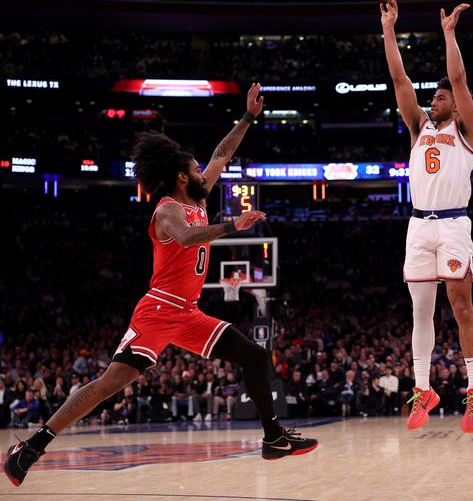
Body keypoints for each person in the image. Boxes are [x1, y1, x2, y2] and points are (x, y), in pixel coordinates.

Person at [4, 84, 317, 488]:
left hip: (187, 312)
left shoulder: (197, 199)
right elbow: (187, 238)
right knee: (108, 385)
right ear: (180, 177)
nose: (205, 172)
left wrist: (248, 117)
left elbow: (223, 152)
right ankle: (31, 448)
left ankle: (273, 438)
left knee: (255, 357)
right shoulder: (167, 210)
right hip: (157, 310)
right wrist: (231, 226)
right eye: (196, 169)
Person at [381, 0, 473, 433]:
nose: (434, 100)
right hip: (418, 225)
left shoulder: (468, 130)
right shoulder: (418, 127)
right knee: (420, 313)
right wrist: (389, 29)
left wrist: (448, 33)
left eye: (441, 97)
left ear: (457, 106)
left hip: (454, 224)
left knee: (461, 307)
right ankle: (423, 389)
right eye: (435, 97)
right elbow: (398, 78)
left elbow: (458, 78)